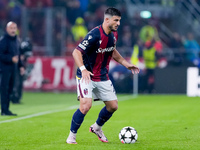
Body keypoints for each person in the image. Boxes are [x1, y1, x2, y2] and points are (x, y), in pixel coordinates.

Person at [66, 7, 140, 144]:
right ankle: (71, 136)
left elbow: (112, 51)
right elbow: (76, 52)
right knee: (85, 106)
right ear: (107, 20)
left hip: (102, 75)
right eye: (116, 20)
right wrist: (83, 69)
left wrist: (126, 63)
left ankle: (97, 128)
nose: (118, 23)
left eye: (119, 21)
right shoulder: (94, 35)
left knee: (113, 106)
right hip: (86, 75)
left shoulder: (114, 34)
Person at [0, 21, 25, 116]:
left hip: (13, 69)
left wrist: (21, 66)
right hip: (4, 69)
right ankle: (4, 110)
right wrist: (10, 59)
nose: (13, 30)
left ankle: (6, 109)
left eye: (14, 28)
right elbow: (1, 55)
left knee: (10, 89)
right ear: (7, 29)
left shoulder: (16, 40)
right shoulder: (3, 40)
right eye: (11, 28)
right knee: (4, 89)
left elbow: (17, 54)